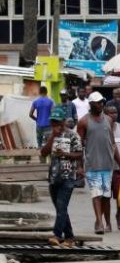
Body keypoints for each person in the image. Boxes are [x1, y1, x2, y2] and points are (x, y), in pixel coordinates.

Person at [77, 92, 120, 235]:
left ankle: (107, 221)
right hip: (92, 164)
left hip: (108, 164)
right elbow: (79, 146)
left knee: (106, 196)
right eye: (98, 103)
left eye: (102, 102)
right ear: (91, 104)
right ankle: (99, 221)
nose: (101, 104)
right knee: (96, 194)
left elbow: (113, 144)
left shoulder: (108, 120)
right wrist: (79, 166)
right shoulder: (84, 122)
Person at [41, 106, 84, 248]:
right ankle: (70, 238)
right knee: (61, 209)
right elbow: (43, 153)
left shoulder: (73, 135)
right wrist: (53, 136)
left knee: (61, 206)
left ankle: (57, 235)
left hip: (68, 177)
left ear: (64, 121)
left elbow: (79, 154)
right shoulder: (48, 134)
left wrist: (65, 155)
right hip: (53, 177)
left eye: (58, 122)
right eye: (53, 122)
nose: (55, 125)